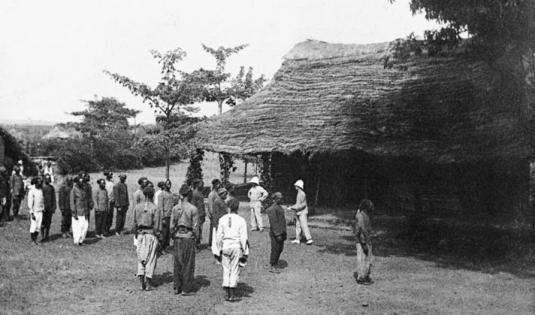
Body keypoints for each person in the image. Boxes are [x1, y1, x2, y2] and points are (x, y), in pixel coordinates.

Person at [213, 197, 248, 302]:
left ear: (228, 207)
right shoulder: (241, 220)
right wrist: (245, 251)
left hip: (225, 246)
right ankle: (232, 294)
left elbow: (219, 236)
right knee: (234, 269)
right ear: (237, 208)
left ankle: (227, 293)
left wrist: (218, 249)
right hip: (236, 246)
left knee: (226, 269)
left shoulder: (222, 219)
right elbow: (244, 237)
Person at [170, 184, 199, 295]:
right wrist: (196, 238)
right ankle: (186, 288)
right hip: (188, 236)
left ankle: (177, 286)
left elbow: (172, 225)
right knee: (188, 263)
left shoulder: (175, 208)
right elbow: (196, 226)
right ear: (189, 194)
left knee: (177, 262)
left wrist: (173, 234)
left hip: (177, 236)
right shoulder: (193, 209)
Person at [133, 186, 161, 291]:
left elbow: (134, 223)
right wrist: (158, 235)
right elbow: (157, 225)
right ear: (152, 195)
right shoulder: (154, 208)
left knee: (141, 258)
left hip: (140, 234)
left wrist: (136, 234)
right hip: (151, 234)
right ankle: (148, 283)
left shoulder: (137, 207)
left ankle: (141, 283)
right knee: (151, 258)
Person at [265, 192, 287, 273]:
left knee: (280, 249)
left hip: (281, 231)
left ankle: (276, 262)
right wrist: (277, 234)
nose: (281, 199)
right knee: (275, 248)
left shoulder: (279, 207)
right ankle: (273, 264)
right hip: (276, 233)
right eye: (279, 198)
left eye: (281, 198)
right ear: (274, 199)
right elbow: (274, 223)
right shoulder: (272, 209)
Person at [354, 199, 374, 285]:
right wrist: (364, 242)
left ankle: (366, 275)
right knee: (362, 258)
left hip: (366, 240)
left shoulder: (365, 215)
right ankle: (361, 276)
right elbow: (361, 229)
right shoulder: (360, 216)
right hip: (362, 240)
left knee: (368, 258)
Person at [289, 180, 313, 245]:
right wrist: (293, 207)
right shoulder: (299, 193)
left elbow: (303, 204)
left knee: (304, 225)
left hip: (302, 212)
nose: (295, 187)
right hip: (299, 212)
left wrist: (292, 207)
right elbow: (298, 204)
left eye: (296, 186)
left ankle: (309, 239)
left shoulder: (302, 194)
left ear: (298, 186)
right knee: (298, 225)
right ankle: (297, 239)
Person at [70, 174, 90, 245]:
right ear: (77, 182)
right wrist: (73, 212)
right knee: (77, 227)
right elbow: (72, 202)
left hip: (84, 210)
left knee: (85, 226)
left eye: (82, 181)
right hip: (77, 211)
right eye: (80, 181)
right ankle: (77, 241)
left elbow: (86, 200)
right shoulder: (74, 190)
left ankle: (81, 240)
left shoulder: (84, 189)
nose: (81, 183)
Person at [157, 179, 174, 253]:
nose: (169, 185)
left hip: (170, 215)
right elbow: (160, 207)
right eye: (167, 183)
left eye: (170, 183)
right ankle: (161, 248)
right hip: (165, 216)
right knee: (163, 233)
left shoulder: (170, 194)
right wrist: (162, 217)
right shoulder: (161, 194)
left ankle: (166, 246)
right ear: (164, 185)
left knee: (168, 233)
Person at [211, 187, 229, 253]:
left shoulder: (222, 201)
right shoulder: (217, 201)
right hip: (219, 222)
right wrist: (216, 224)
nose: (226, 196)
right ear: (221, 194)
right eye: (225, 194)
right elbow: (215, 213)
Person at [28, 176, 44, 244]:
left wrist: (43, 208)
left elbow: (42, 200)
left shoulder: (41, 190)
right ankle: (32, 240)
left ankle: (35, 239)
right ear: (35, 183)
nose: (40, 184)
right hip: (34, 211)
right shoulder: (32, 191)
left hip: (40, 210)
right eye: (38, 182)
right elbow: (30, 202)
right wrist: (31, 212)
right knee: (33, 226)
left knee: (38, 226)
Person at [191, 179, 206, 249]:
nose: (202, 185)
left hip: (201, 214)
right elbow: (193, 205)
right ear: (197, 185)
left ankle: (198, 243)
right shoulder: (194, 193)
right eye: (201, 184)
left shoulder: (200, 193)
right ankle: (194, 244)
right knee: (196, 229)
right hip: (197, 215)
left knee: (200, 230)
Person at [41, 174, 56, 242]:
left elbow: (54, 198)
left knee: (48, 222)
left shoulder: (51, 188)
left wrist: (54, 207)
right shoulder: (42, 187)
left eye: (48, 179)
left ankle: (47, 235)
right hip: (43, 208)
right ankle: (42, 236)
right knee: (42, 222)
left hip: (49, 207)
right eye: (46, 179)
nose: (47, 180)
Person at [207, 179, 222, 246]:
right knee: (213, 229)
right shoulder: (212, 194)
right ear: (215, 185)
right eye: (217, 184)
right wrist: (212, 214)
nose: (219, 185)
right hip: (214, 214)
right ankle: (211, 243)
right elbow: (210, 205)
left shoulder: (218, 193)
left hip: (219, 214)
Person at [103, 172, 115, 236]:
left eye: (111, 175)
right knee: (106, 215)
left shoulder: (112, 182)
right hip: (106, 201)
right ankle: (104, 230)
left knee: (110, 215)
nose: (111, 176)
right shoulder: (104, 182)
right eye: (110, 175)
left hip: (112, 201)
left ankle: (108, 228)